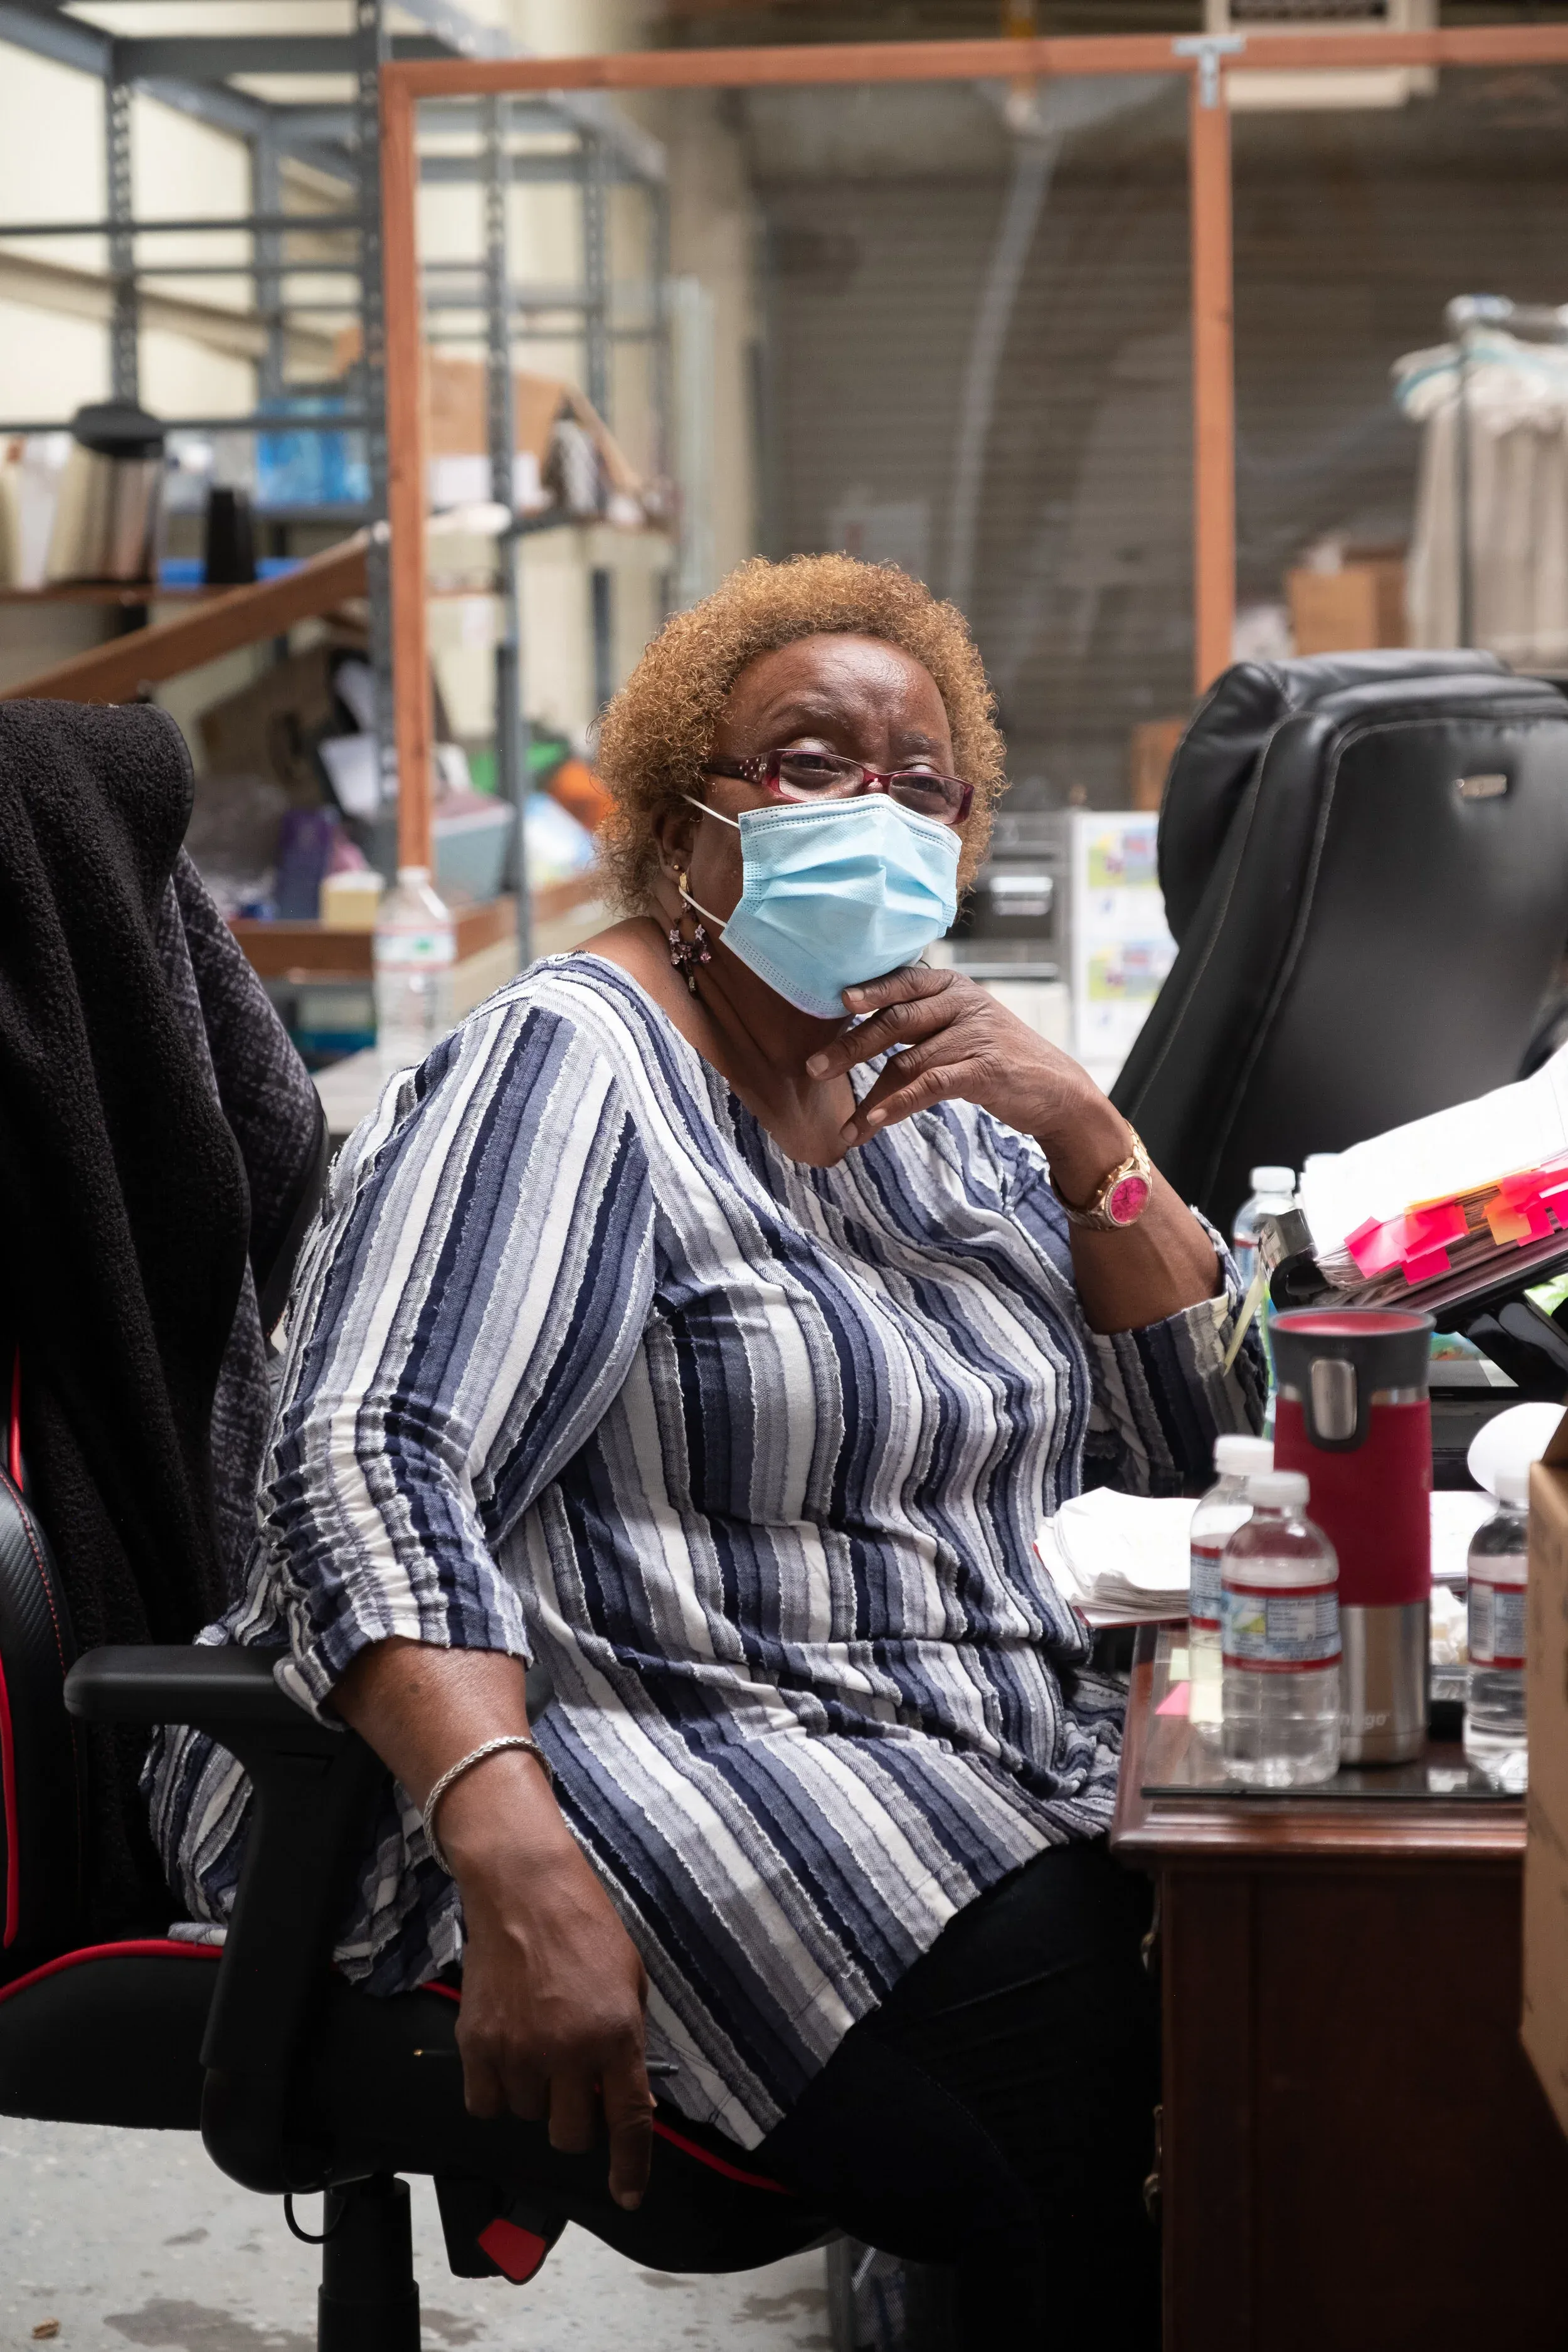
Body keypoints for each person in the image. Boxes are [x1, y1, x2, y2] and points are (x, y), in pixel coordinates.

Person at [148, 554, 1262, 2348]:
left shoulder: (935, 1086)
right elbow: (363, 1460)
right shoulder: (569, 1063)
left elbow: (1201, 1456)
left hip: (958, 1728)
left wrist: (1086, 1132)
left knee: (1270, 1988)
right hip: (633, 1738)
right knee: (1123, 2088)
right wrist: (510, 1853)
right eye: (807, 761)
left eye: (919, 784)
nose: (870, 811)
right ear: (682, 825)